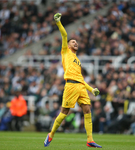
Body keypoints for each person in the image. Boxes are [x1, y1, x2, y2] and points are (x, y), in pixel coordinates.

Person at [44, 13, 102, 148]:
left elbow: (80, 79)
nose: (75, 43)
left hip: (81, 87)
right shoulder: (65, 52)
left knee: (87, 110)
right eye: (73, 42)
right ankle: (51, 134)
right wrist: (58, 22)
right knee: (64, 112)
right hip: (70, 86)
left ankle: (90, 140)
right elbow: (64, 35)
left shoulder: (78, 60)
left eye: (77, 42)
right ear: (68, 45)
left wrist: (91, 89)